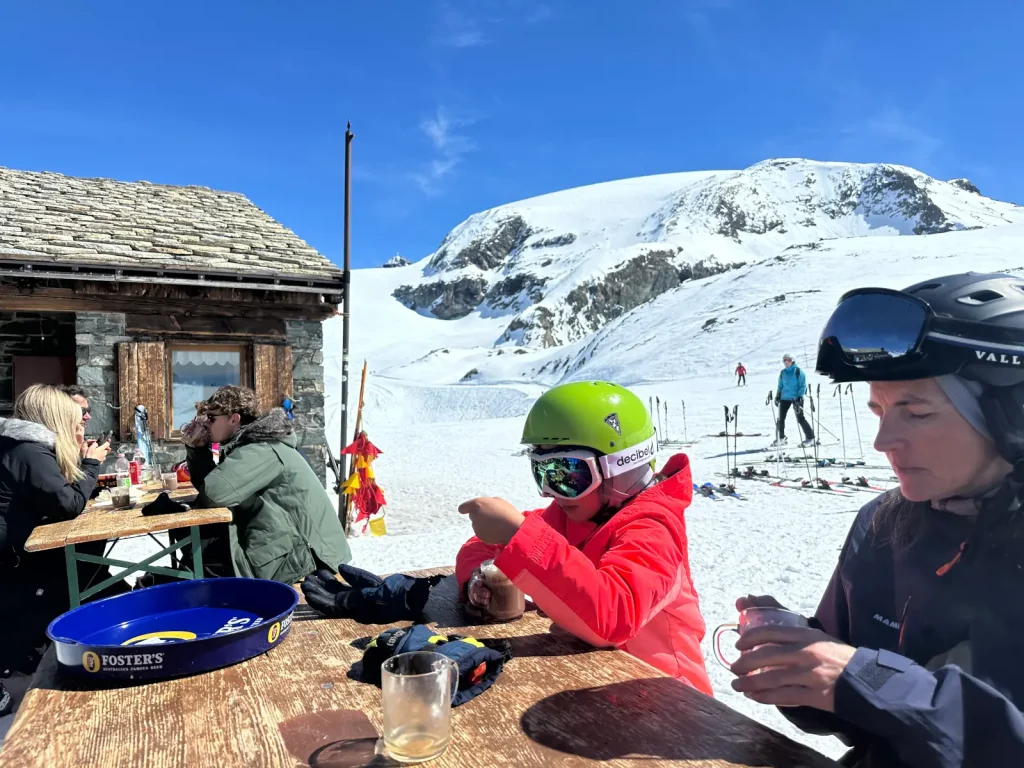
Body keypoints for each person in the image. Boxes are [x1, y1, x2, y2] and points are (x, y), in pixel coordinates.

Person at [728, 272, 1024, 767]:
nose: (884, 442)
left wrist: (869, 681)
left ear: (1010, 414)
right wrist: (802, 660)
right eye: (879, 411)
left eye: (917, 412)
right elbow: (857, 702)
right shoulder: (883, 524)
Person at [455, 381, 712, 694]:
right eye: (542, 472)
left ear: (621, 466)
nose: (552, 490)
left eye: (569, 474)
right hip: (597, 690)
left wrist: (517, 535)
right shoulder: (574, 515)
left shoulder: (654, 529)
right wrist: (478, 579)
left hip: (676, 707)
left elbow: (615, 617)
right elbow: (481, 546)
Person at [0, 384, 111, 712]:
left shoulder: (21, 445)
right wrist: (90, 464)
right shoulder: (29, 450)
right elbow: (68, 502)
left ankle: (35, 649)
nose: (79, 422)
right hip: (13, 554)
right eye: (72, 417)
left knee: (82, 564)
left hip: (17, 547)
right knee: (72, 573)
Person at [179, 385, 351, 584]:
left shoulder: (262, 448)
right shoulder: (251, 444)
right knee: (199, 548)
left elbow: (214, 494)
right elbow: (214, 489)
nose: (206, 424)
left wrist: (199, 450)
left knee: (204, 561)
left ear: (234, 419)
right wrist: (198, 450)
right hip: (293, 547)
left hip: (309, 560)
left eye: (211, 418)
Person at [773, 353, 815, 447]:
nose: (786, 362)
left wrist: (800, 397)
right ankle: (781, 438)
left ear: (793, 361)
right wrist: (777, 396)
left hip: (796, 398)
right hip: (784, 398)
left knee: (800, 418)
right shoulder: (783, 372)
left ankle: (810, 438)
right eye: (784, 360)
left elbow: (803, 385)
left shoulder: (798, 371)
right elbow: (780, 385)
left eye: (788, 360)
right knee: (780, 419)